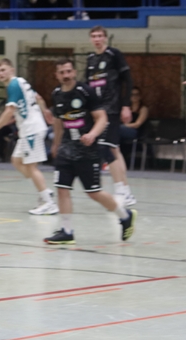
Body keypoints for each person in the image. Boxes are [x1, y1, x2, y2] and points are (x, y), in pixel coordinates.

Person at [45, 57, 137, 245]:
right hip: (66, 150)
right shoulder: (56, 94)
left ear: (74, 72)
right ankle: (67, 231)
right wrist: (56, 144)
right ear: (56, 75)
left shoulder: (85, 92)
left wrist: (92, 134)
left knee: (93, 192)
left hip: (88, 151)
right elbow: (59, 121)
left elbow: (102, 118)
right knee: (62, 189)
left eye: (68, 71)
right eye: (62, 72)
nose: (66, 75)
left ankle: (125, 216)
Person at [0, 59, 58, 215]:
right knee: (17, 161)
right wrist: (45, 110)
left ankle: (48, 202)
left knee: (31, 166)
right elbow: (38, 97)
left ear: (11, 69)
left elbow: (9, 111)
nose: (0, 74)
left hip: (31, 129)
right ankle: (44, 190)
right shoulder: (22, 82)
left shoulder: (13, 85)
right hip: (28, 130)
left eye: (3, 70)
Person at [85, 26, 136, 207]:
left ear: (105, 38)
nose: (97, 39)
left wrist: (126, 105)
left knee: (106, 148)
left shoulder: (114, 55)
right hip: (97, 110)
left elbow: (128, 80)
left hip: (111, 108)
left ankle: (121, 190)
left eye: (100, 36)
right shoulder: (91, 59)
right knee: (114, 149)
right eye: (94, 36)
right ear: (90, 39)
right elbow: (88, 86)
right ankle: (126, 191)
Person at [119, 87, 148, 166]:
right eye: (132, 95)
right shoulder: (126, 108)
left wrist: (125, 125)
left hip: (136, 131)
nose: (134, 96)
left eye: (136, 94)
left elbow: (137, 124)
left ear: (140, 96)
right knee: (113, 131)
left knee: (118, 129)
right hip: (123, 130)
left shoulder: (143, 109)